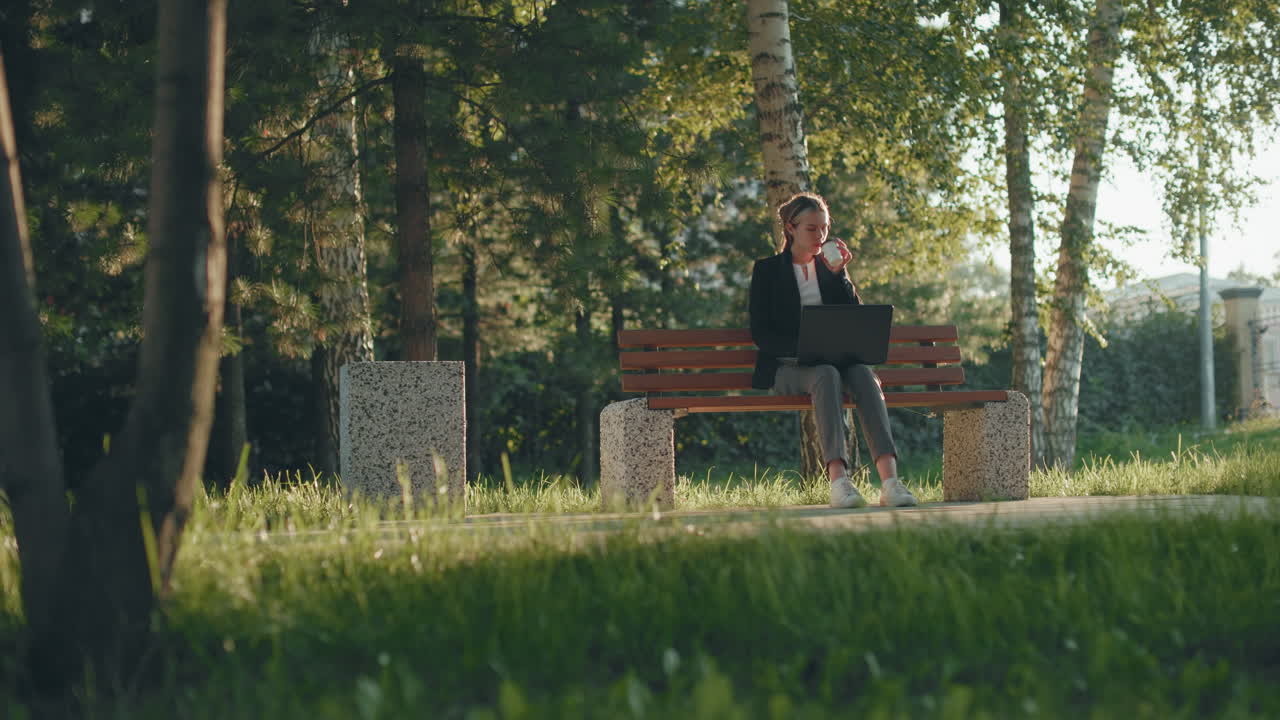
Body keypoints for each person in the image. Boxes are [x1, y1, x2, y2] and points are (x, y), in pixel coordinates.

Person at [748, 192, 917, 509]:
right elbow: (761, 333)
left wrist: (840, 276)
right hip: (788, 368)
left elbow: (855, 317)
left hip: (836, 363)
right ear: (790, 228)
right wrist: (802, 351)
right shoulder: (768, 271)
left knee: (864, 375)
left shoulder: (831, 270)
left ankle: (891, 482)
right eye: (812, 228)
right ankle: (840, 483)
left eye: (824, 228)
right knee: (824, 374)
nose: (820, 236)